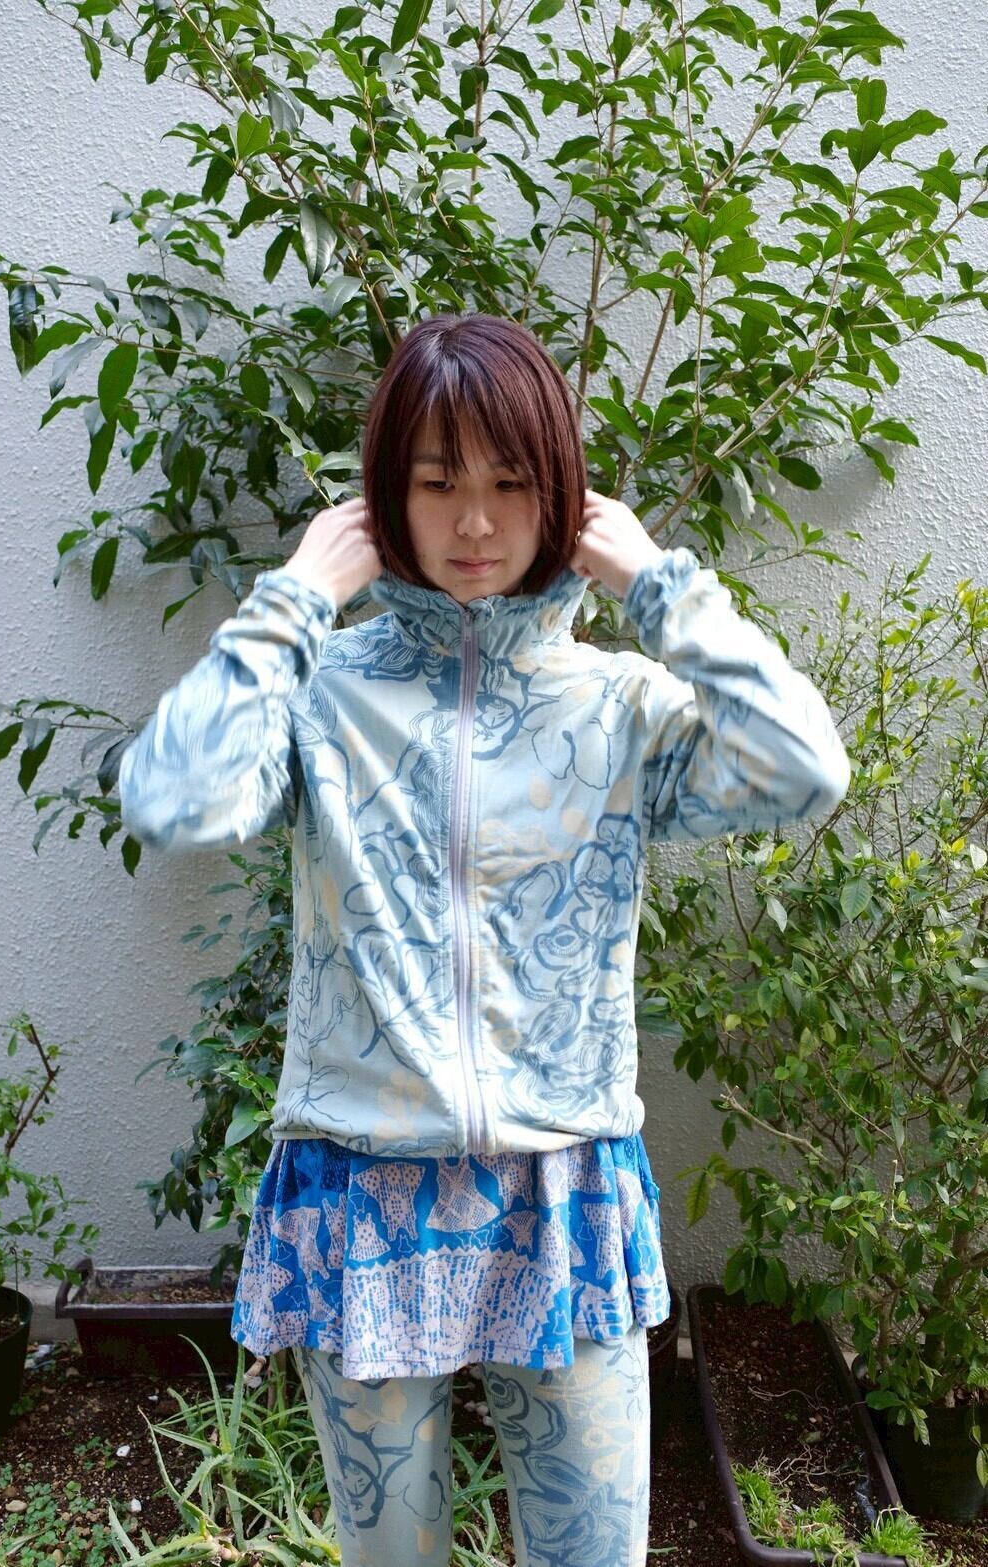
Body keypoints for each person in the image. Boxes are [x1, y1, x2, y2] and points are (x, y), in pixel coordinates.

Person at [117, 312, 852, 1566]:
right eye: (435, 482)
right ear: (383, 498)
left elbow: (803, 768)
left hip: (561, 1184)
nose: (473, 523)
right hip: (365, 1187)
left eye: (512, 484)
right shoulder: (322, 695)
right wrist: (293, 600)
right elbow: (170, 797)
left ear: (562, 495)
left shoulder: (619, 704)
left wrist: (661, 587)